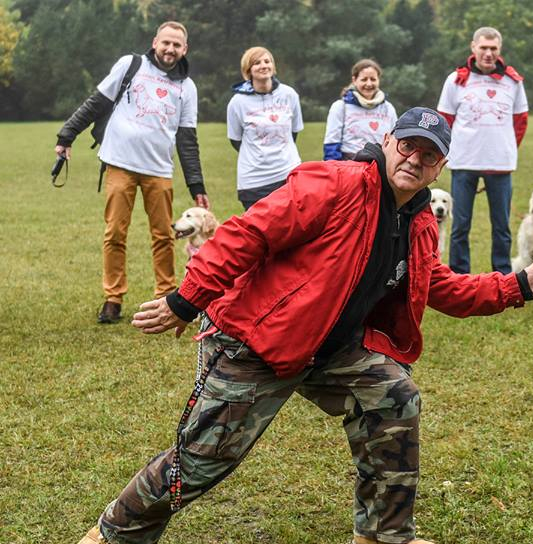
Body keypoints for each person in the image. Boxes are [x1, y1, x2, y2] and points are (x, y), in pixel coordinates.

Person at [62, 107, 533, 544]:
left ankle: (383, 533)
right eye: (408, 145)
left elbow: (439, 285)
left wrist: (517, 285)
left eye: (429, 154)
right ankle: (105, 538)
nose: (415, 158)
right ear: (389, 142)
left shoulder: (418, 222)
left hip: (330, 347)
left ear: (441, 168)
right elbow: (247, 233)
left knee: (393, 395)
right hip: (259, 341)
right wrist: (185, 300)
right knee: (204, 458)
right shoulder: (337, 183)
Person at [55, 21, 208, 324]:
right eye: (166, 43)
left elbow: (187, 139)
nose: (170, 49)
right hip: (120, 163)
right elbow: (96, 102)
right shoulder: (131, 65)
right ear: (155, 42)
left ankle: (165, 294)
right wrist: (66, 135)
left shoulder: (186, 87)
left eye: (177, 45)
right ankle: (113, 298)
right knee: (115, 233)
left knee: (165, 235)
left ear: (185, 49)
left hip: (158, 169)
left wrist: (197, 185)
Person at [437, 26, 529, 275]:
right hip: (463, 162)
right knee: (461, 225)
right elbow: (445, 120)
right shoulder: (456, 80)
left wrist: (504, 146)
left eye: (493, 48)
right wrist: (450, 152)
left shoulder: (513, 81)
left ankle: (501, 273)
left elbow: (520, 121)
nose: (488, 53)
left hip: (500, 163)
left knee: (501, 225)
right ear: (473, 47)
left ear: (499, 49)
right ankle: (458, 274)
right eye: (483, 48)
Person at [227, 47, 304, 211]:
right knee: (260, 234)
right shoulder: (237, 102)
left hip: (289, 174)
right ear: (248, 70)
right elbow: (235, 140)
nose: (263, 66)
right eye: (257, 63)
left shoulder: (289, 95)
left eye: (267, 61)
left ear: (273, 66)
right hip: (254, 181)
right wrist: (259, 154)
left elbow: (294, 132)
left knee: (293, 230)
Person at [323, 59, 397, 161]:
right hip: (349, 166)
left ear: (378, 80)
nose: (369, 83)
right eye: (364, 79)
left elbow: (394, 141)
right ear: (354, 80)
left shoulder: (388, 108)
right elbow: (332, 143)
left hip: (380, 166)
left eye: (373, 79)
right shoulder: (340, 107)